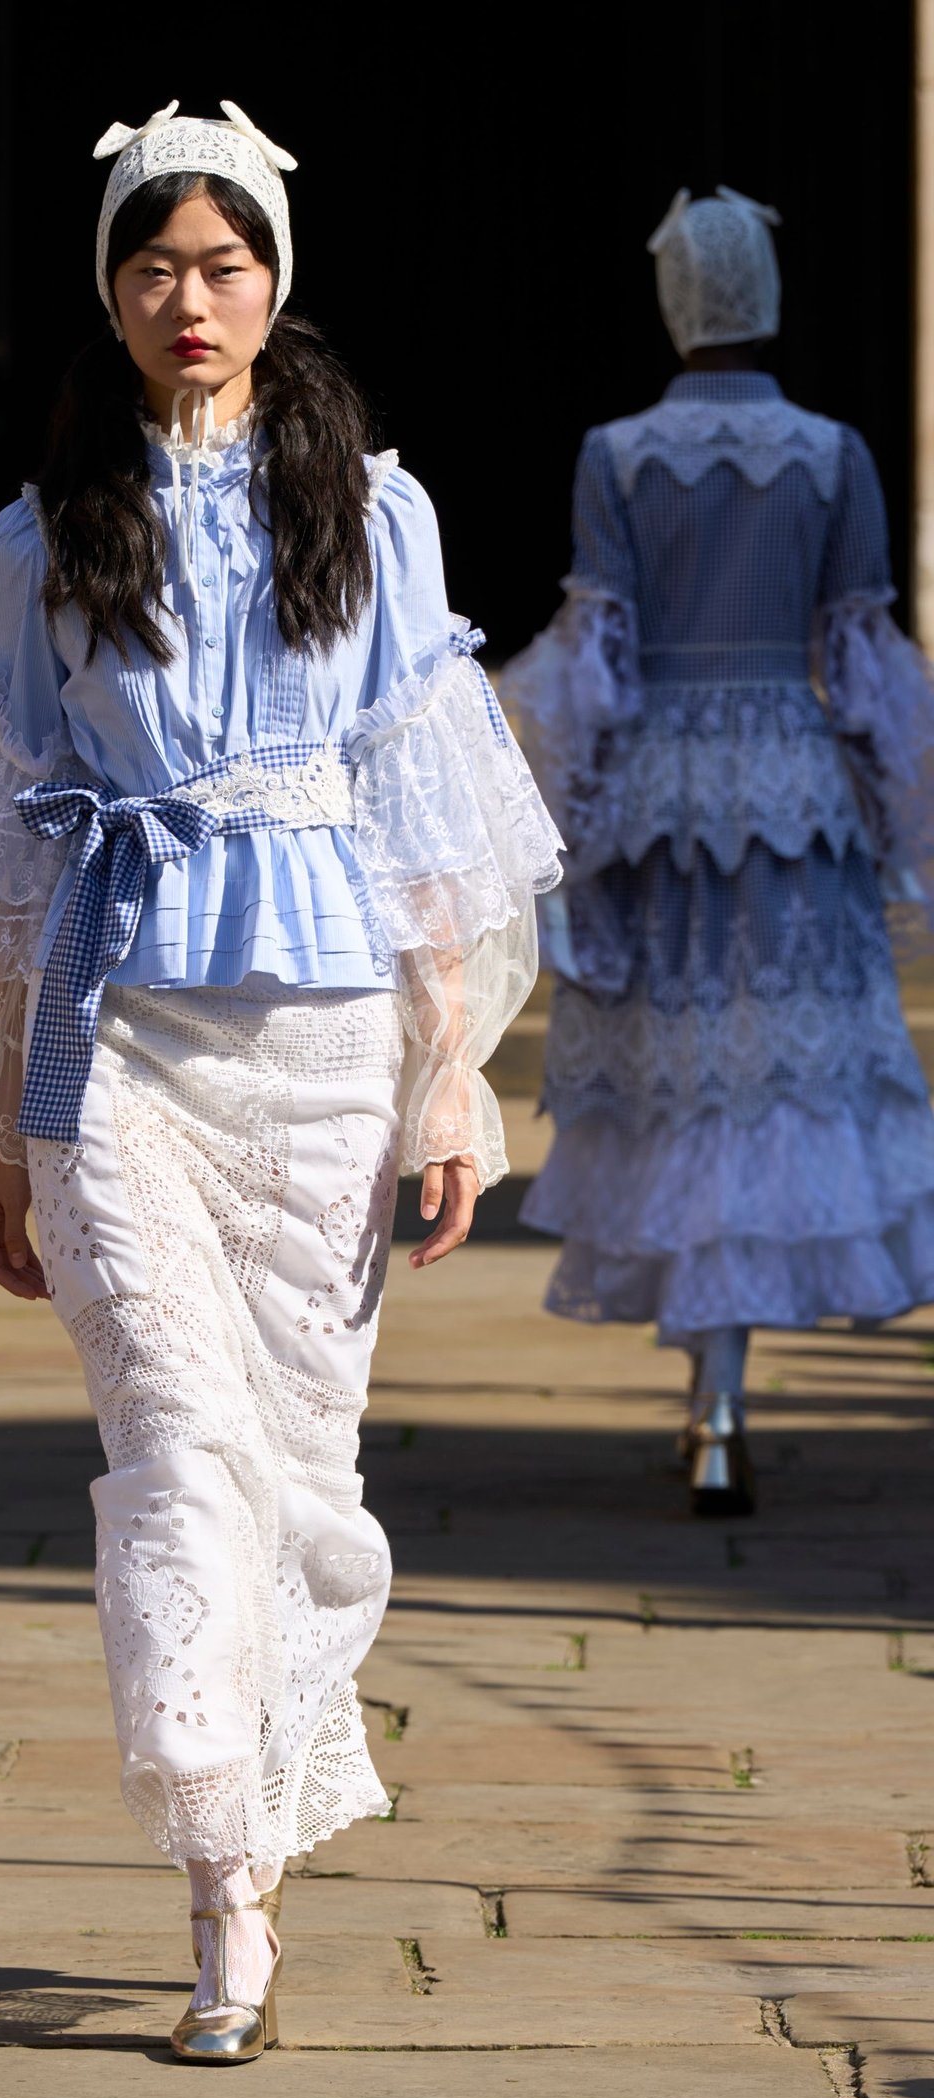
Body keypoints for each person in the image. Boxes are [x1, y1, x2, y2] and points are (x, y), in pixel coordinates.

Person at [0, 100, 561, 2061]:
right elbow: (13, 848)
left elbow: (419, 811)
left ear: (273, 277)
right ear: (109, 290)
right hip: (110, 1044)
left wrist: (449, 1074)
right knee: (180, 1439)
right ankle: (209, 1822)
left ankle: (245, 1885)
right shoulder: (47, 532)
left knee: (295, 1464)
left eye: (219, 263)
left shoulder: (370, 512)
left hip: (310, 1040)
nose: (186, 299)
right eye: (150, 263)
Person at [503, 186, 934, 1517]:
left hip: (659, 797)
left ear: (677, 300)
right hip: (792, 795)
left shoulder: (619, 454)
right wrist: (901, 824)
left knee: (685, 1074)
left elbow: (596, 657)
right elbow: (865, 661)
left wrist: (545, 809)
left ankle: (715, 1395)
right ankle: (719, 1400)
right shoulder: (832, 453)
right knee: (761, 1076)